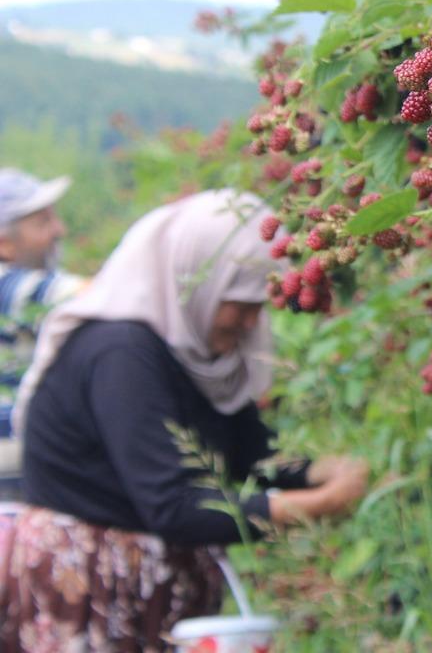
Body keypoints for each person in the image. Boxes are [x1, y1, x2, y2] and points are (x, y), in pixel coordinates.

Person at [0, 190, 368, 652]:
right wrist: (319, 504)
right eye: (240, 303)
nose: (251, 321)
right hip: (88, 593)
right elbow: (174, 507)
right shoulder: (120, 353)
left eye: (258, 303)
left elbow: (250, 456)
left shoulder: (193, 351)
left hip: (153, 595)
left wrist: (321, 472)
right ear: (197, 284)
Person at [0, 168, 86, 389]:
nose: (60, 230)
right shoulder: (8, 285)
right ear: (4, 244)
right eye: (43, 222)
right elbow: (97, 294)